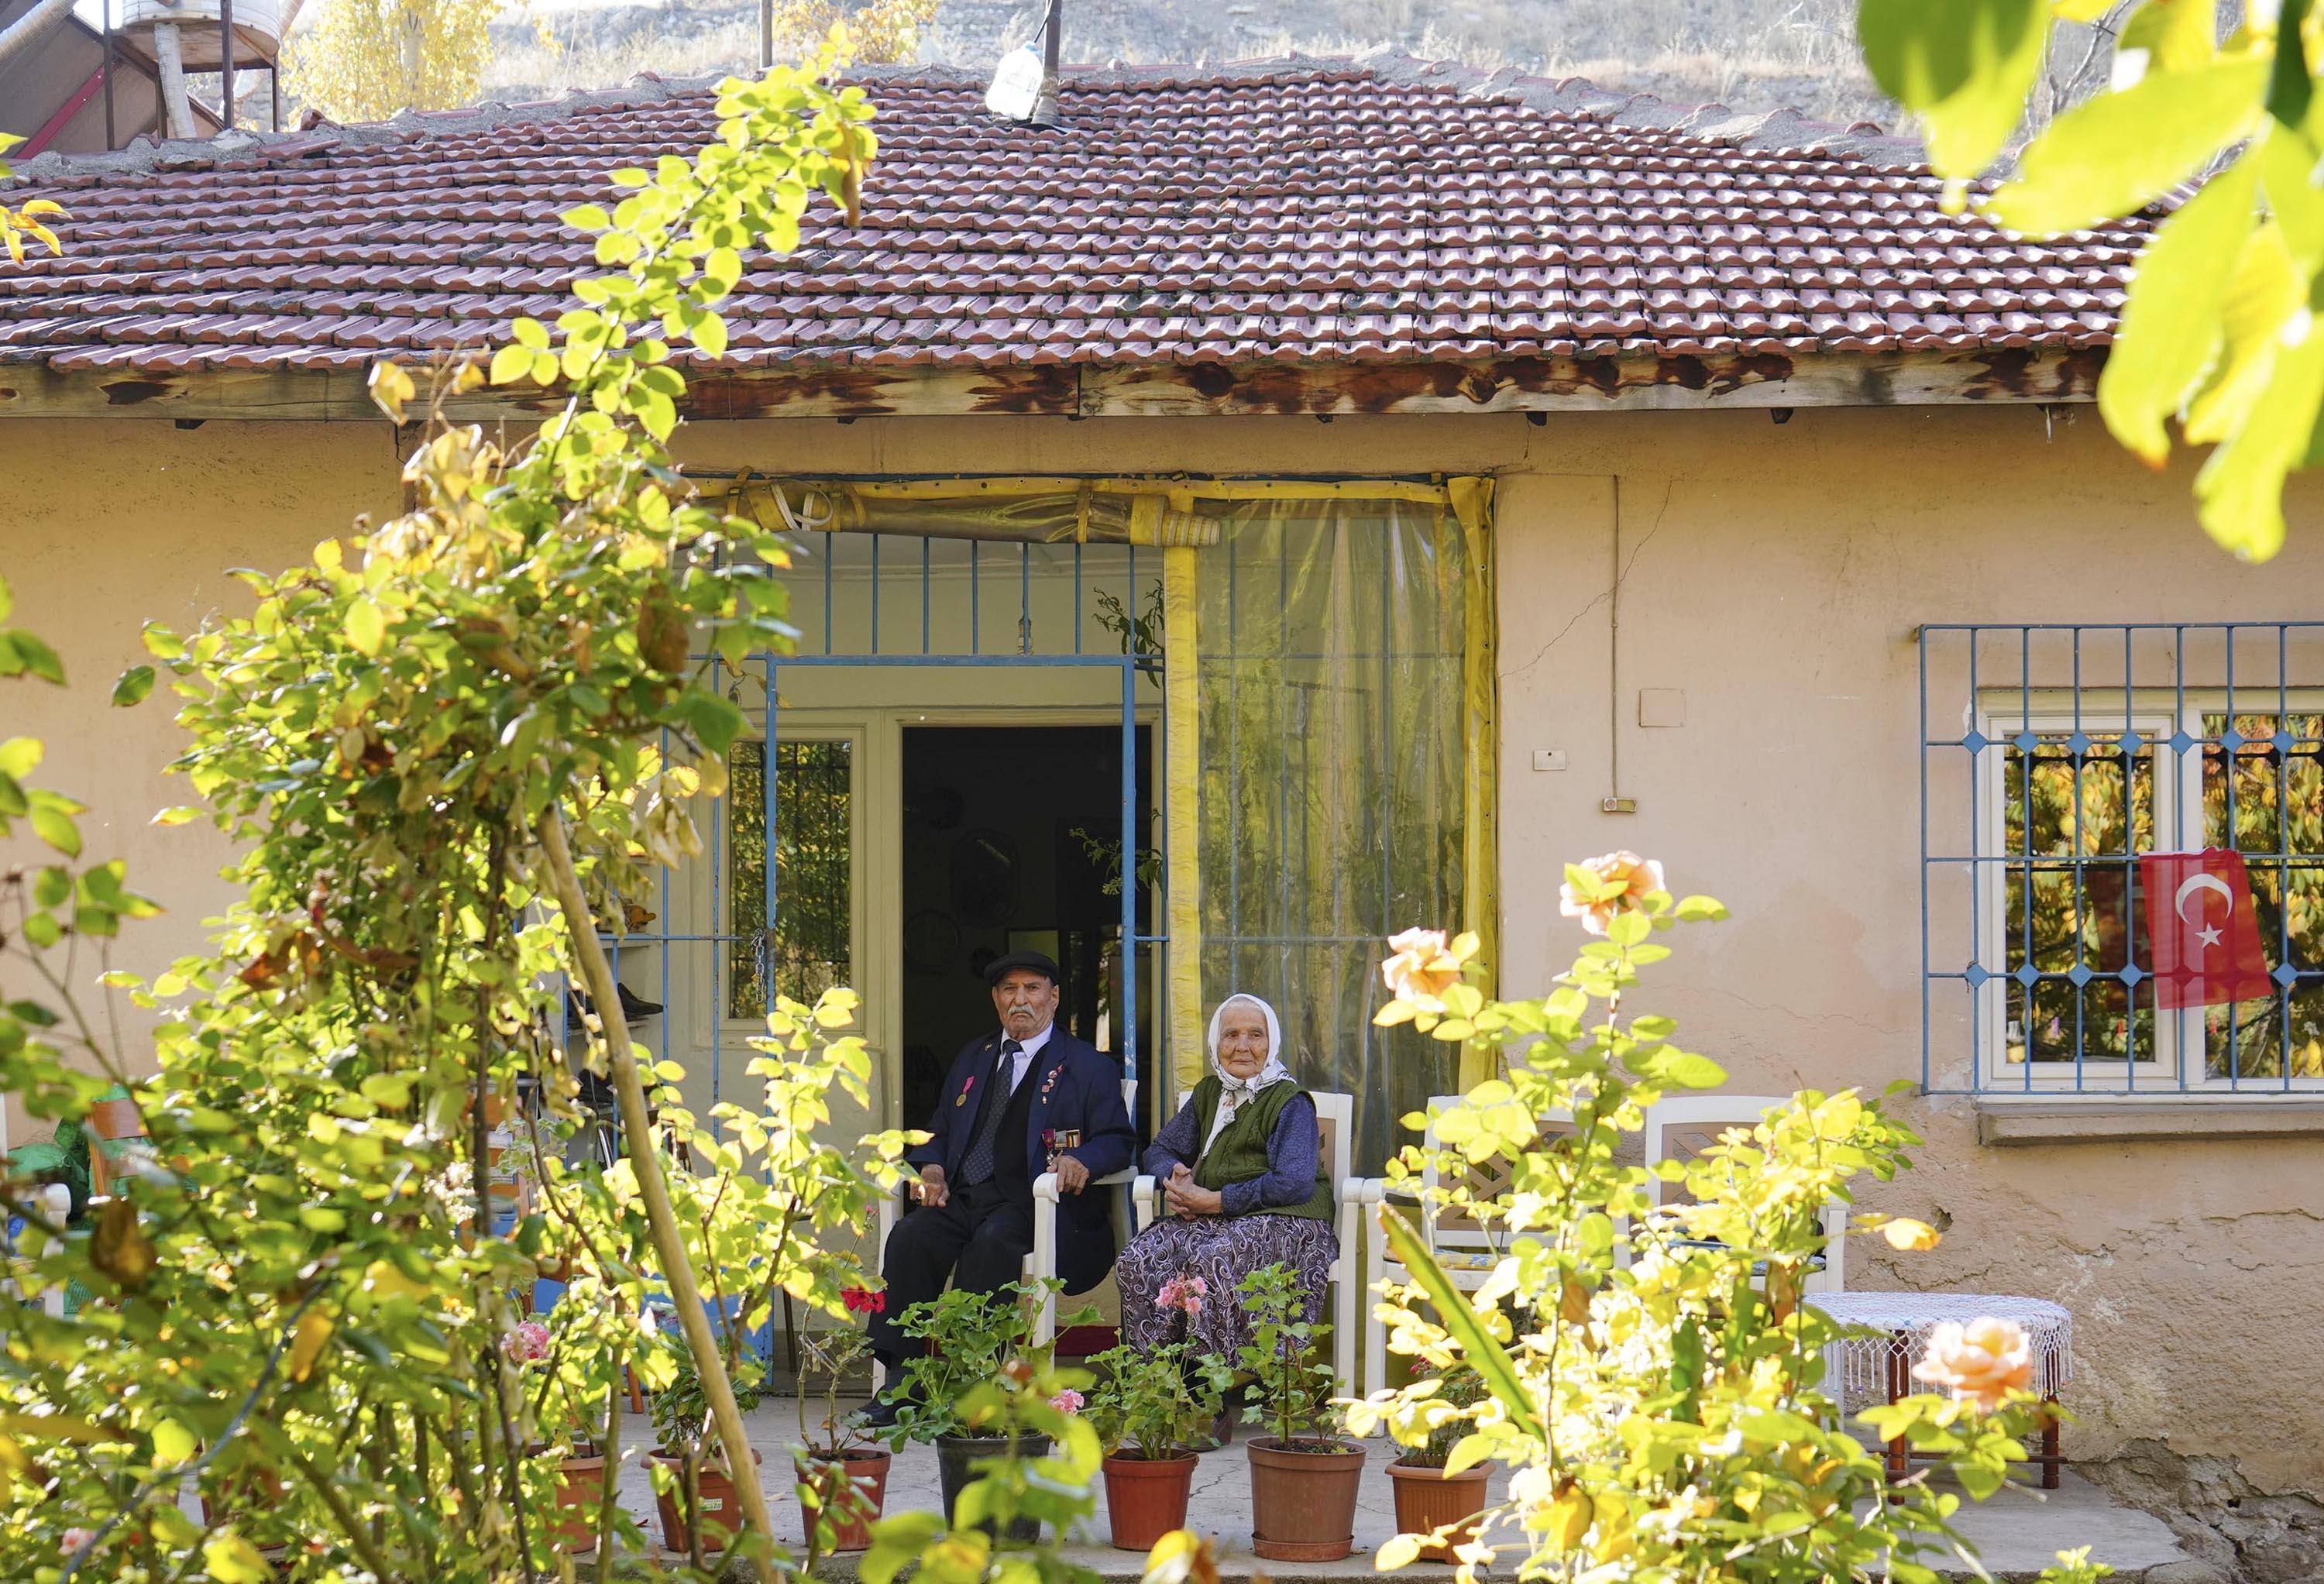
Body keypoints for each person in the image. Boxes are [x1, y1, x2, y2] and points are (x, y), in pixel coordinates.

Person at [859, 950, 1134, 1425]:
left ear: (1053, 997)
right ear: (995, 999)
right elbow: (939, 1129)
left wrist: (1080, 1159)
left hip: (1031, 1202)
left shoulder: (1087, 1065)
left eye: (1032, 989)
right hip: (965, 1195)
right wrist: (931, 1168)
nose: (1021, 1000)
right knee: (909, 1237)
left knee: (991, 1246)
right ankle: (902, 1386)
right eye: (1010, 990)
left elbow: (1118, 1140)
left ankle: (976, 1383)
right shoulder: (976, 1055)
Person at [1116, 992, 1337, 1368]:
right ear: (1215, 1044)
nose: (1242, 1047)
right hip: (1220, 1220)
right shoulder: (1210, 1093)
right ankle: (1158, 1380)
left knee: (1212, 1259)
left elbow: (1293, 1184)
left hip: (1289, 1220)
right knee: (1137, 1258)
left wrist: (1214, 1201)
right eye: (1230, 1035)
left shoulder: (1290, 1101)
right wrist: (1176, 1175)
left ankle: (1211, 1389)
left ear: (1272, 1043)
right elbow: (1158, 1150)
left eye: (1255, 1035)